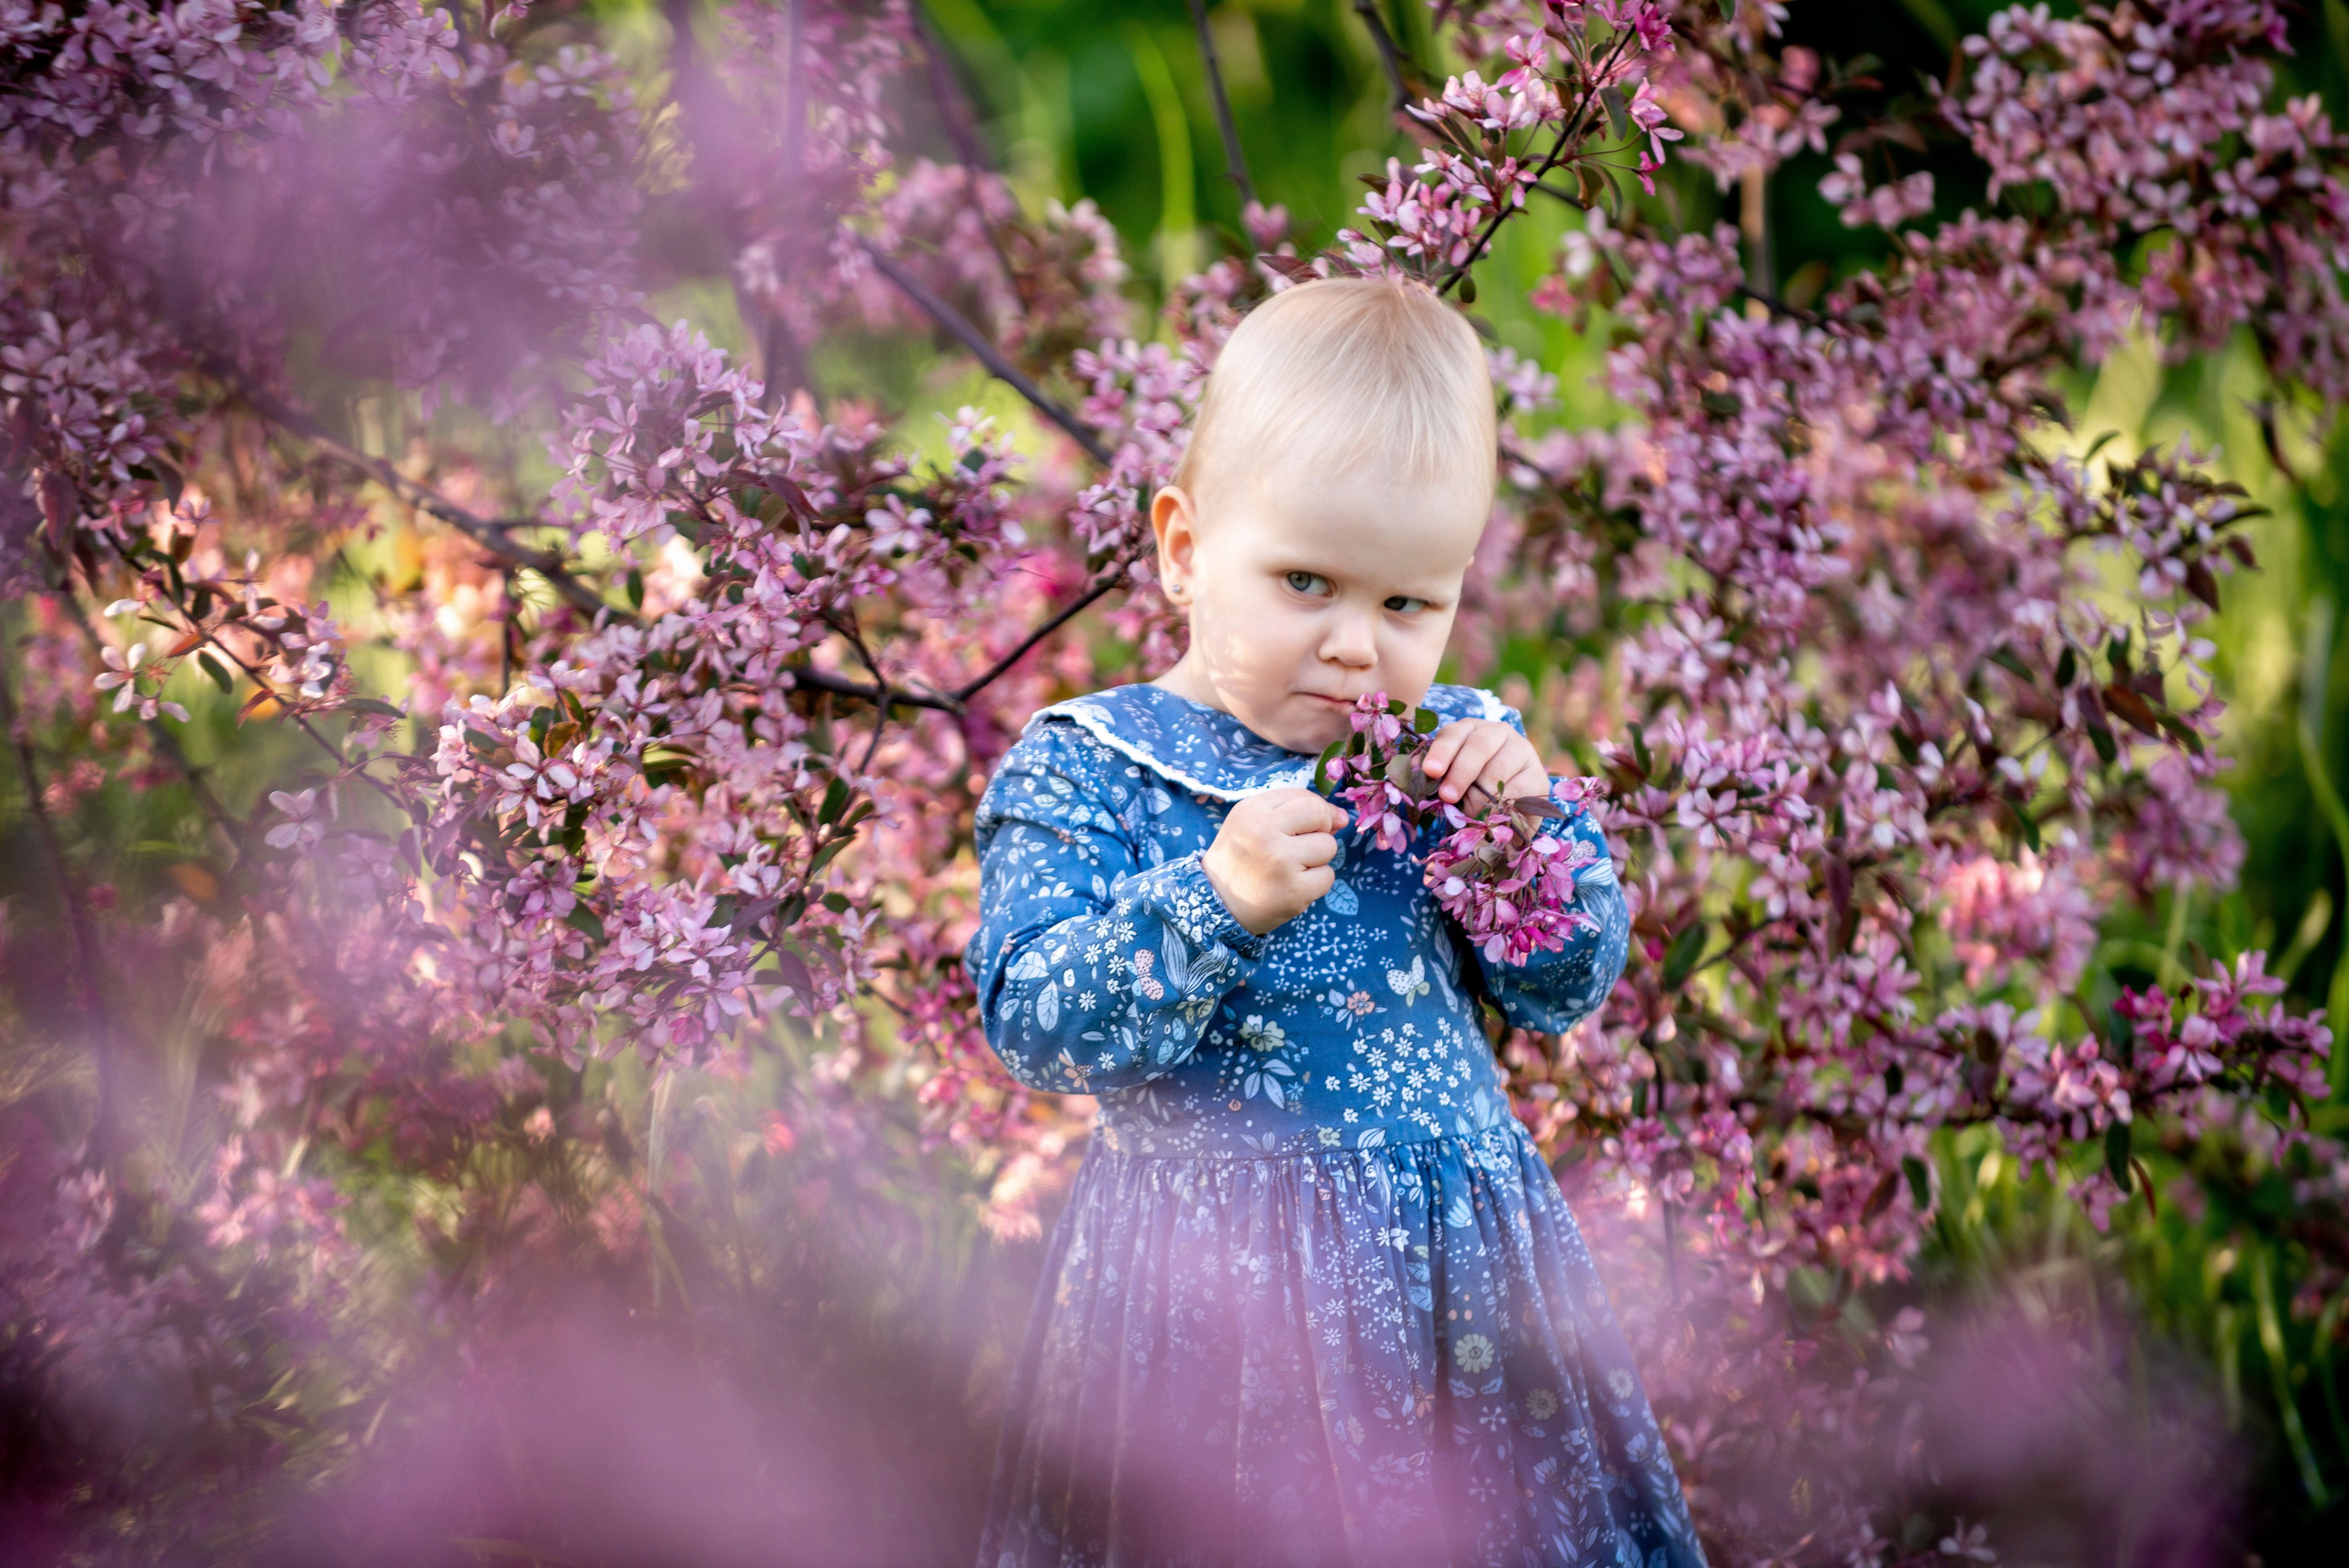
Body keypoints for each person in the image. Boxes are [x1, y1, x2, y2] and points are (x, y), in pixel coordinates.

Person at [964, 276, 1705, 1568]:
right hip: (1211, 1308)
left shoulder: (1453, 756)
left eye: (1408, 603)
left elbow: (1564, 985)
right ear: (1185, 548)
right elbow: (1035, 1019)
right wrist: (1210, 900)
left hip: (1452, 1289)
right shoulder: (1093, 767)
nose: (1359, 646)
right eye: (1307, 580)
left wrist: (1526, 844)